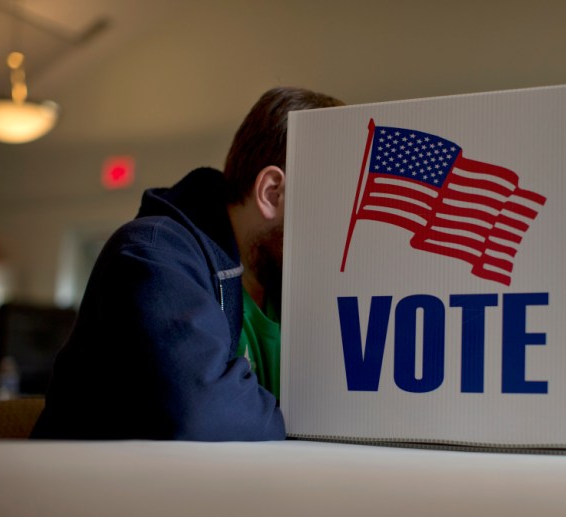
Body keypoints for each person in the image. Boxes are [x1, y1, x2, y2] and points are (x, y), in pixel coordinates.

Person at [31, 87, 344, 440]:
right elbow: (204, 414)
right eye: (333, 203)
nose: (341, 228)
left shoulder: (291, 285)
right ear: (272, 193)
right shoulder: (151, 255)